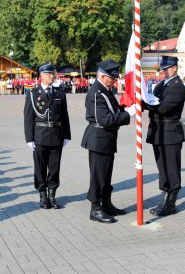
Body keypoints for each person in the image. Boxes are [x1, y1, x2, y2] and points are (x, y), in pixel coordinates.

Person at [81, 59, 136, 223]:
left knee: (106, 175)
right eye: (112, 78)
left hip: (107, 139)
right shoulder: (97, 93)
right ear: (104, 76)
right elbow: (105, 119)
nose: (115, 81)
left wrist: (124, 109)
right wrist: (128, 115)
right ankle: (95, 208)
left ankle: (106, 204)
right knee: (98, 176)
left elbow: (113, 110)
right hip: (99, 139)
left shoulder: (105, 90)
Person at [24, 61, 71, 209]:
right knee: (40, 167)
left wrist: (66, 135)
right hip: (40, 136)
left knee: (54, 168)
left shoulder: (60, 94)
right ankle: (42, 195)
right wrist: (29, 138)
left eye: (53, 74)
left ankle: (52, 195)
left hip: (56, 135)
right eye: (49, 74)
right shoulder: (33, 94)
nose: (52, 76)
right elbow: (28, 117)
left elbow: (65, 116)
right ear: (41, 75)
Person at [144, 56, 185, 217]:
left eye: (166, 69)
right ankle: (165, 195)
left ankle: (170, 202)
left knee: (171, 168)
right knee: (162, 167)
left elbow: (164, 108)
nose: (163, 72)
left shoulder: (177, 86)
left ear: (174, 68)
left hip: (170, 133)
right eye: (162, 69)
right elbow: (153, 100)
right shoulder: (161, 85)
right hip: (158, 133)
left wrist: (146, 104)